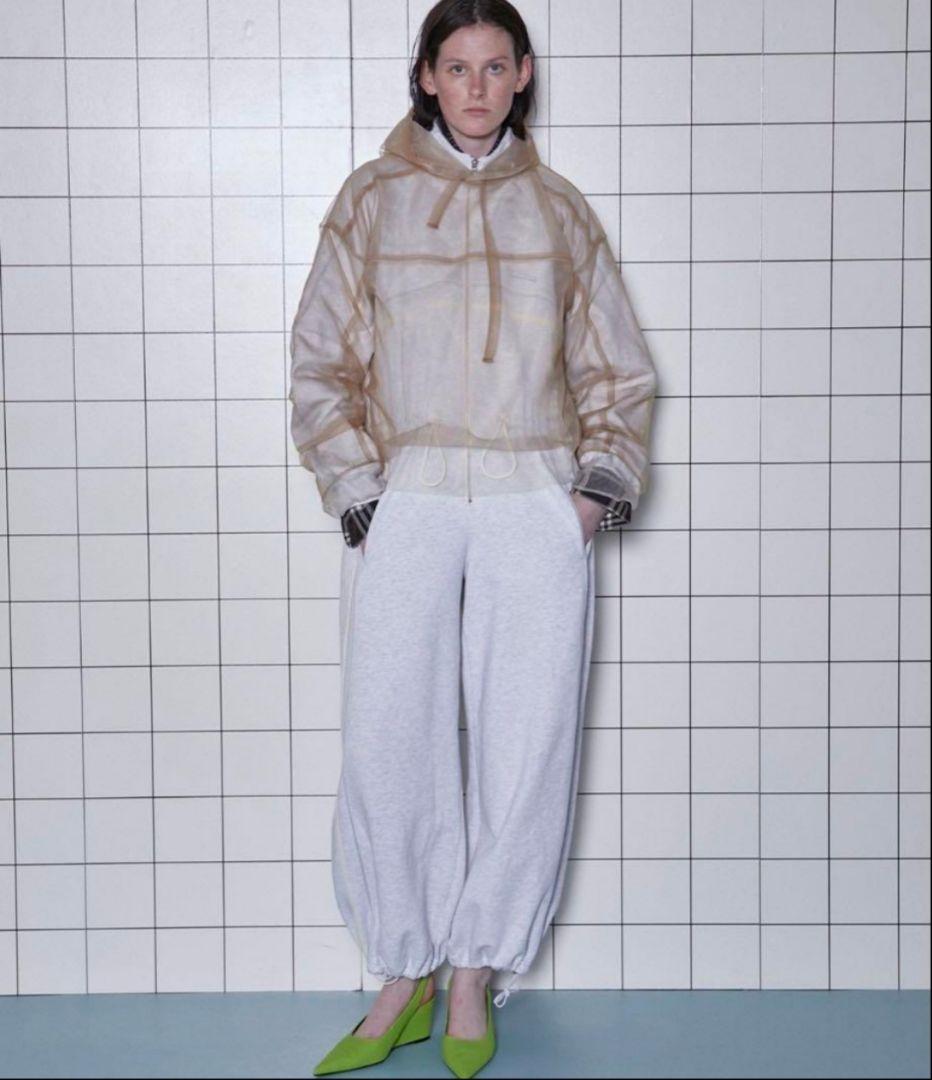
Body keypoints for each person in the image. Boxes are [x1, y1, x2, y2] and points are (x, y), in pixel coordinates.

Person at [288, 1, 658, 1076]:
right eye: (456, 68)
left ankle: (471, 970)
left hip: (530, 492)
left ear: (523, 74)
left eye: (495, 67)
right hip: (407, 492)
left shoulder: (560, 209)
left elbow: (618, 370)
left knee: (526, 737)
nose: (476, 87)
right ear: (426, 77)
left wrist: (589, 492)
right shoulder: (371, 199)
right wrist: (357, 486)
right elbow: (319, 358)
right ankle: (399, 968)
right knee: (389, 728)